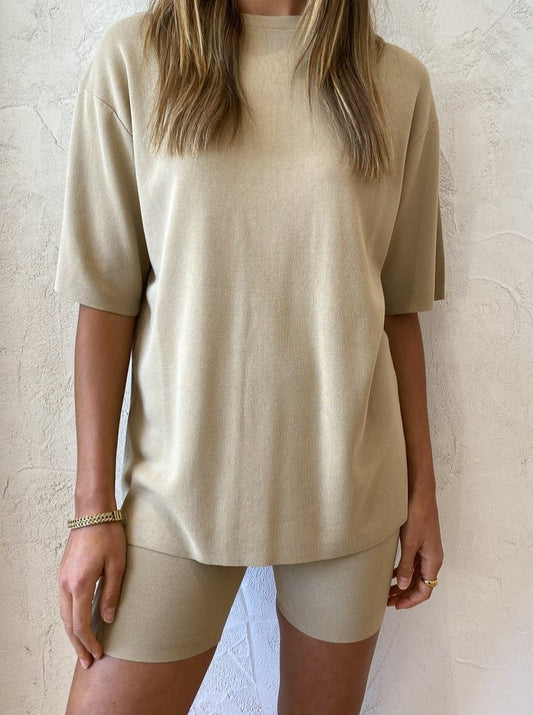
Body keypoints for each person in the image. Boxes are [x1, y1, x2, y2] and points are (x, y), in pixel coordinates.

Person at [55, 0, 445, 712]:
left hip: (350, 495)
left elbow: (396, 310)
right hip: (177, 496)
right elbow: (105, 300)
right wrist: (92, 512)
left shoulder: (395, 82)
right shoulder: (138, 59)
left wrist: (422, 493)